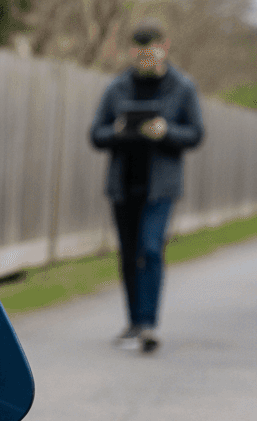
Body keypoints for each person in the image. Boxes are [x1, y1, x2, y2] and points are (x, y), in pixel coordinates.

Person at [90, 20, 204, 352]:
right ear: (132, 51)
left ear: (164, 48)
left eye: (151, 50)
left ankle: (150, 325)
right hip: (124, 185)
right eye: (139, 51)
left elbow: (196, 133)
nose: (145, 57)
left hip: (161, 186)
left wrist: (165, 132)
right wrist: (119, 130)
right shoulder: (117, 87)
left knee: (151, 248)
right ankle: (134, 323)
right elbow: (96, 134)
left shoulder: (183, 87)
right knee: (128, 254)